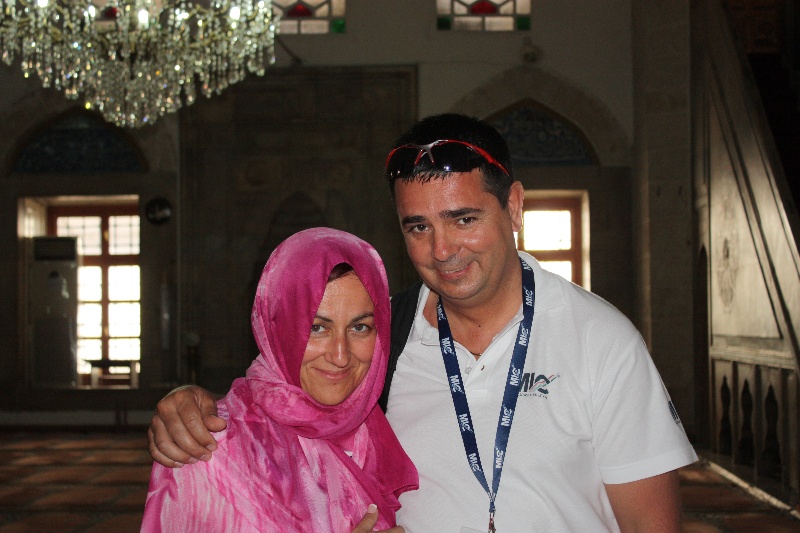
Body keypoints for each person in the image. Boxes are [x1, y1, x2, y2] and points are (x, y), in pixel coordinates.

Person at [148, 114, 698, 532]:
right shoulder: (382, 340)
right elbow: (283, 399)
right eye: (418, 227)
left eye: (463, 219)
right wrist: (188, 404)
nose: (442, 250)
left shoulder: (601, 340)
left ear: (513, 207)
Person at [141, 228, 418, 532]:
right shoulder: (206, 445)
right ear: (277, 326)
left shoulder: (380, 432)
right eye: (317, 328)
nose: (340, 356)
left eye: (360, 327)